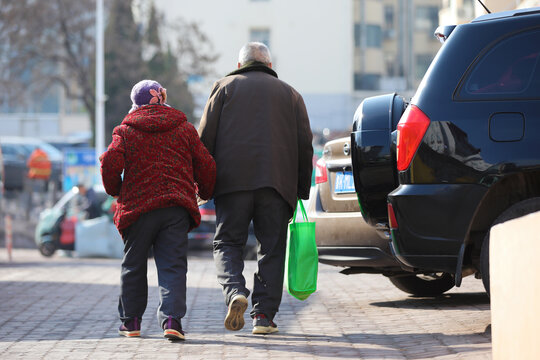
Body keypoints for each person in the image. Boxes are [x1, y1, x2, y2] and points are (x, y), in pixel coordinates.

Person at [198, 42, 313, 334]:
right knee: (272, 249)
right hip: (276, 186)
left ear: (240, 66)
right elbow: (304, 146)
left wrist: (202, 184)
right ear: (270, 66)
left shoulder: (223, 88)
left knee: (226, 243)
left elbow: (204, 140)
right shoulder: (291, 95)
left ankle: (235, 290)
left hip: (232, 184)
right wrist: (300, 191)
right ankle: (263, 317)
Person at [101, 79, 216, 340]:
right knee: (173, 265)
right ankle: (172, 320)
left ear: (136, 104)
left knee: (133, 265)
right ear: (162, 99)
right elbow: (207, 164)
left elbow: (109, 162)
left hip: (137, 208)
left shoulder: (126, 130)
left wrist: (116, 189)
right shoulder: (184, 129)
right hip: (175, 208)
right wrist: (204, 192)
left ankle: (131, 323)